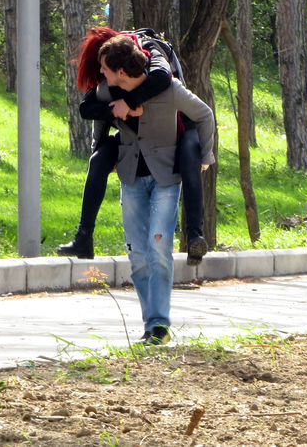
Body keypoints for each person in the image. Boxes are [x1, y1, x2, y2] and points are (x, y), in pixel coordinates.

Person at [80, 34, 215, 344]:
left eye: (105, 68)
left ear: (121, 71)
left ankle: (158, 326)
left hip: (167, 178)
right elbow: (92, 112)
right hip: (130, 178)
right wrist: (103, 152)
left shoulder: (168, 88)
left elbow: (204, 114)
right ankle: (150, 324)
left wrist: (204, 158)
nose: (101, 72)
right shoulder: (110, 89)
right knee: (138, 255)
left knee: (158, 249)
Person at [56, 27, 208, 265]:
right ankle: (83, 237)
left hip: (178, 125)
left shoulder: (150, 50)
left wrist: (130, 102)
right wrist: (113, 118)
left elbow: (161, 78)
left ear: (119, 66)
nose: (100, 71)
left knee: (190, 160)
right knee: (98, 161)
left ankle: (195, 236)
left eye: (103, 67)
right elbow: (88, 108)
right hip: (137, 137)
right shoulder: (111, 72)